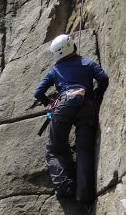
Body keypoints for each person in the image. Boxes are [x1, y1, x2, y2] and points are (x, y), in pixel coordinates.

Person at [33, 33, 109, 203]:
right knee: (84, 150)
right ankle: (84, 195)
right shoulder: (87, 63)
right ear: (72, 46)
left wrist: (50, 102)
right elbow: (103, 78)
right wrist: (96, 96)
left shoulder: (55, 70)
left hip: (63, 105)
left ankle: (65, 187)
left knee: (54, 150)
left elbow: (38, 92)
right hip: (87, 105)